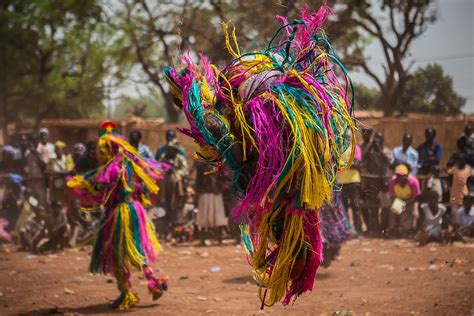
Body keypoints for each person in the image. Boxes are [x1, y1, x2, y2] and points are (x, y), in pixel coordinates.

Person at [67, 120, 168, 310]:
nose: (100, 154)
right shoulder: (129, 163)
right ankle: (154, 283)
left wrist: (81, 184)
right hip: (135, 210)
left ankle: (127, 293)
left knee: (117, 254)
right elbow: (140, 187)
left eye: (102, 150)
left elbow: (99, 188)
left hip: (120, 213)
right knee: (137, 250)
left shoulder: (113, 168)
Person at [361, 131, 392, 235]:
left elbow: (387, 161)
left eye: (379, 139)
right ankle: (374, 229)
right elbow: (363, 158)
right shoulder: (371, 152)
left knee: (385, 207)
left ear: (382, 140)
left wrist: (379, 149)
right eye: (376, 139)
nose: (377, 141)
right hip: (373, 183)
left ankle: (384, 228)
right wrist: (370, 147)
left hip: (384, 183)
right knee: (373, 207)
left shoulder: (387, 150)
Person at [194, 161, 227, 246]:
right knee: (204, 217)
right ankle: (203, 240)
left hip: (215, 192)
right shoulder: (201, 165)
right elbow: (198, 179)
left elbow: (222, 177)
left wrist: (219, 187)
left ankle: (219, 239)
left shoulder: (218, 164)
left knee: (218, 217)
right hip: (205, 192)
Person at [387, 164, 421, 237]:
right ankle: (393, 230)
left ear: (406, 175)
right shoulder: (393, 182)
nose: (398, 178)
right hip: (399, 201)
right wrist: (400, 205)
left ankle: (412, 231)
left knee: (415, 213)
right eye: (397, 175)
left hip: (411, 201)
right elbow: (392, 197)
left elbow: (416, 197)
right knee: (393, 213)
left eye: (401, 176)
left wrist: (406, 204)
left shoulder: (414, 182)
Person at [337, 144, 363, 234]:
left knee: (356, 206)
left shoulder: (355, 147)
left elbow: (357, 164)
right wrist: (349, 163)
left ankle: (358, 229)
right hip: (341, 181)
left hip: (354, 181)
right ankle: (347, 229)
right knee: (344, 207)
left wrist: (343, 164)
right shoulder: (338, 146)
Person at [447, 153, 471, 226]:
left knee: (462, 212)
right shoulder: (455, 168)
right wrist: (452, 159)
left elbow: (470, 179)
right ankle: (455, 229)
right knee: (454, 213)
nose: (458, 162)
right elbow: (448, 169)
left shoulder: (468, 169)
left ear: (464, 161)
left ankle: (463, 228)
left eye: (460, 161)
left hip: (464, 194)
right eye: (457, 161)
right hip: (454, 194)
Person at [24, 137, 48, 206]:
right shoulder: (27, 152)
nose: (31, 144)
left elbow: (44, 166)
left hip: (40, 180)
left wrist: (35, 153)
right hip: (31, 179)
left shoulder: (44, 150)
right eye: (30, 142)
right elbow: (26, 164)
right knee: (32, 200)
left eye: (34, 142)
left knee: (41, 201)